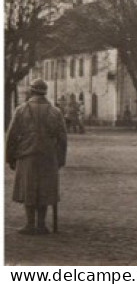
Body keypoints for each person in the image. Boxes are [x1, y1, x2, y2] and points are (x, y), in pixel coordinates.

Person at [7, 81, 68, 235]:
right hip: (48, 155)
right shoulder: (56, 112)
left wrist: (10, 157)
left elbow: (12, 136)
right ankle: (41, 224)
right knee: (45, 188)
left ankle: (30, 224)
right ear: (45, 92)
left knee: (29, 188)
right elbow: (62, 138)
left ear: (31, 92)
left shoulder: (21, 110)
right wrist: (60, 159)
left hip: (27, 154)